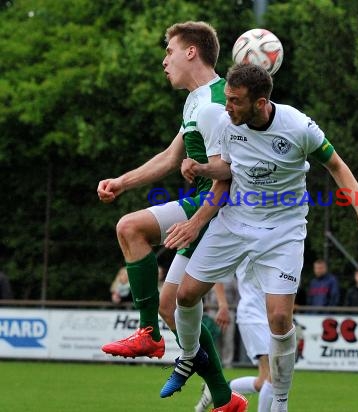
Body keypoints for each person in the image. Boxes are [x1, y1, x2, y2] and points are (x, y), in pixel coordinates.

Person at [160, 63, 358, 411]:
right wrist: (202, 168)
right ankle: (190, 357)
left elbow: (337, 165)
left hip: (283, 231)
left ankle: (279, 400)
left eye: (235, 101)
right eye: (228, 99)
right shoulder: (226, 121)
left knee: (280, 319)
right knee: (186, 296)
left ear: (261, 102)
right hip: (235, 220)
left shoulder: (298, 126)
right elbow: (227, 171)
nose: (227, 106)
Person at [96, 21, 246, 411]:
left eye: (169, 51)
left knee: (130, 227)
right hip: (203, 201)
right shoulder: (197, 99)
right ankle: (226, 398)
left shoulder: (215, 104)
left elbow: (226, 176)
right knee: (170, 305)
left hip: (217, 206)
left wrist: (196, 220)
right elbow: (170, 157)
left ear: (192, 52)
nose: (165, 61)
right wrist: (121, 182)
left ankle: (148, 334)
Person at [196, 259, 274, 412]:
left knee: (263, 381)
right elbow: (217, 271)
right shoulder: (244, 242)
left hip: (269, 318)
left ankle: (215, 389)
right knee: (275, 377)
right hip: (253, 318)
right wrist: (223, 305)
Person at [203, 277, 239, 368]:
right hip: (212, 310)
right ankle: (214, 362)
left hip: (229, 310)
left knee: (228, 338)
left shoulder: (232, 279)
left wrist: (233, 308)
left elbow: (237, 295)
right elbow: (205, 295)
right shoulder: (211, 277)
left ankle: (227, 362)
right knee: (213, 338)